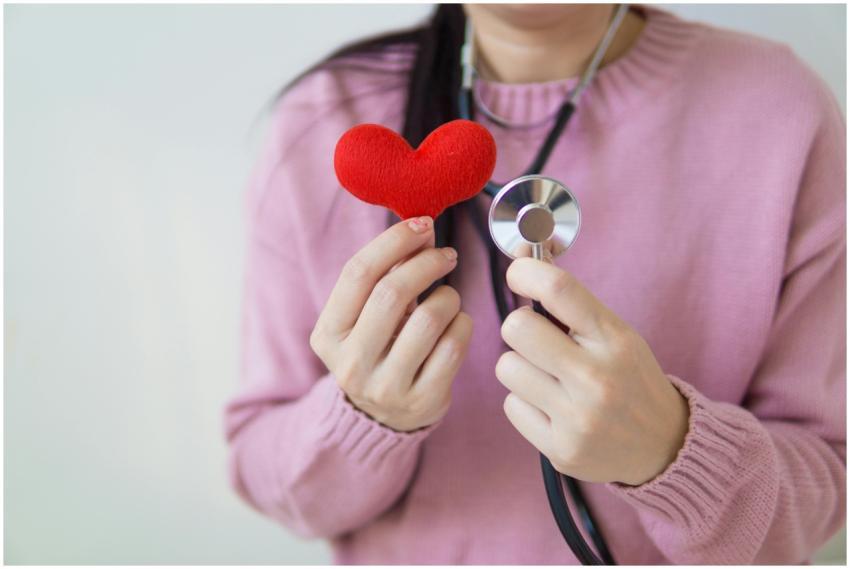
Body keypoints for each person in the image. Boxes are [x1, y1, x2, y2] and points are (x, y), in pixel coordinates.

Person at [224, 4, 846, 564]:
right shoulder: (322, 118)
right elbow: (267, 476)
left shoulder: (778, 109)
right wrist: (362, 416)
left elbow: (829, 483)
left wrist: (672, 452)